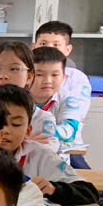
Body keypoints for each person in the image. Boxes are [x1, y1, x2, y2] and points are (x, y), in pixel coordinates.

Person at [0, 85, 98, 206]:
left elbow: (88, 192)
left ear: (28, 131)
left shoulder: (40, 155)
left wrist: (54, 189)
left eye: (16, 124)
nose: (5, 131)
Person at [0, 41, 58, 152]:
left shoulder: (41, 119)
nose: (3, 76)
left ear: (29, 76)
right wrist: (25, 143)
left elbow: (47, 149)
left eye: (14, 69)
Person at [34, 20, 92, 167]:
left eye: (56, 45)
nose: (48, 81)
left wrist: (28, 135)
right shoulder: (19, 91)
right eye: (43, 43)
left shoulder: (73, 85)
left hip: (65, 148)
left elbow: (73, 123)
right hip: (26, 152)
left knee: (84, 177)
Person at [31, 46, 85, 165]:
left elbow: (69, 132)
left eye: (55, 75)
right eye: (39, 75)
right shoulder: (16, 98)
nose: (48, 81)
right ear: (28, 75)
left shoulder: (68, 100)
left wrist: (26, 136)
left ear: (63, 76)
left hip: (56, 165)